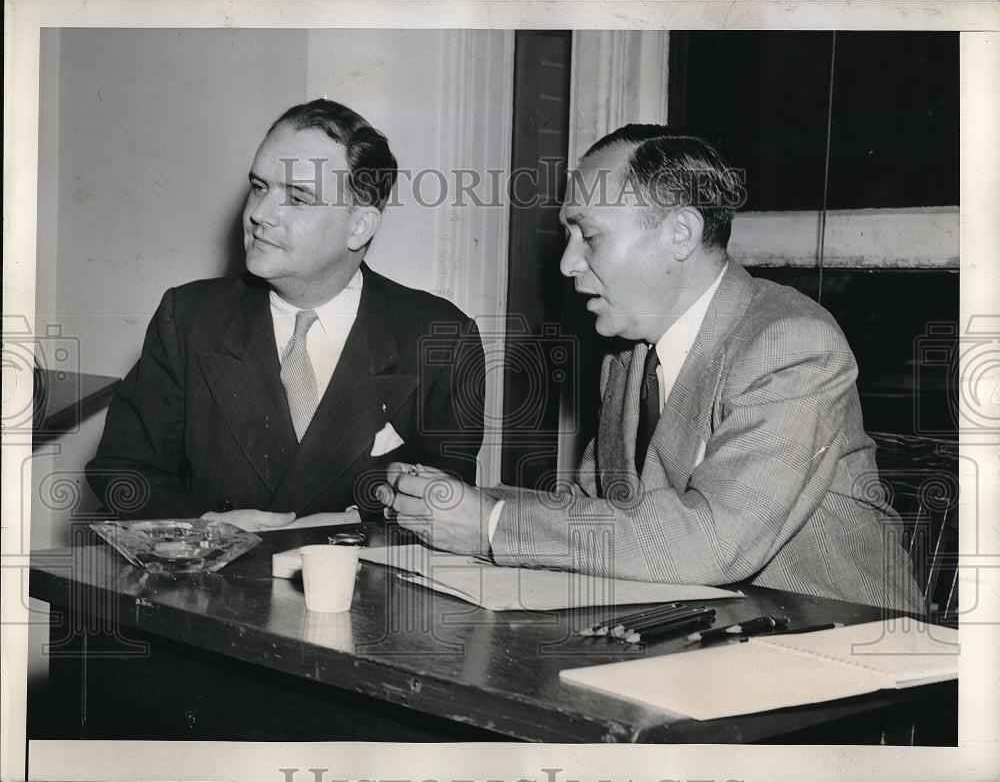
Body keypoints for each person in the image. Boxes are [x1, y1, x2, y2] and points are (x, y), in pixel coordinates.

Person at [380, 124, 924, 612]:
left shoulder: (791, 344)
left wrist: (489, 527)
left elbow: (710, 542)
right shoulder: (629, 356)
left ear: (680, 233)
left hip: (842, 652)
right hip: (721, 630)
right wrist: (461, 501)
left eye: (588, 235)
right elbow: (597, 511)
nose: (568, 263)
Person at [87, 99, 484, 530]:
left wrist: (362, 526)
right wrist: (203, 528)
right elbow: (122, 471)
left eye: (296, 198)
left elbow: (447, 514)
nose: (258, 214)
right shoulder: (188, 319)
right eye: (259, 187)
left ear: (359, 226)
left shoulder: (442, 338)